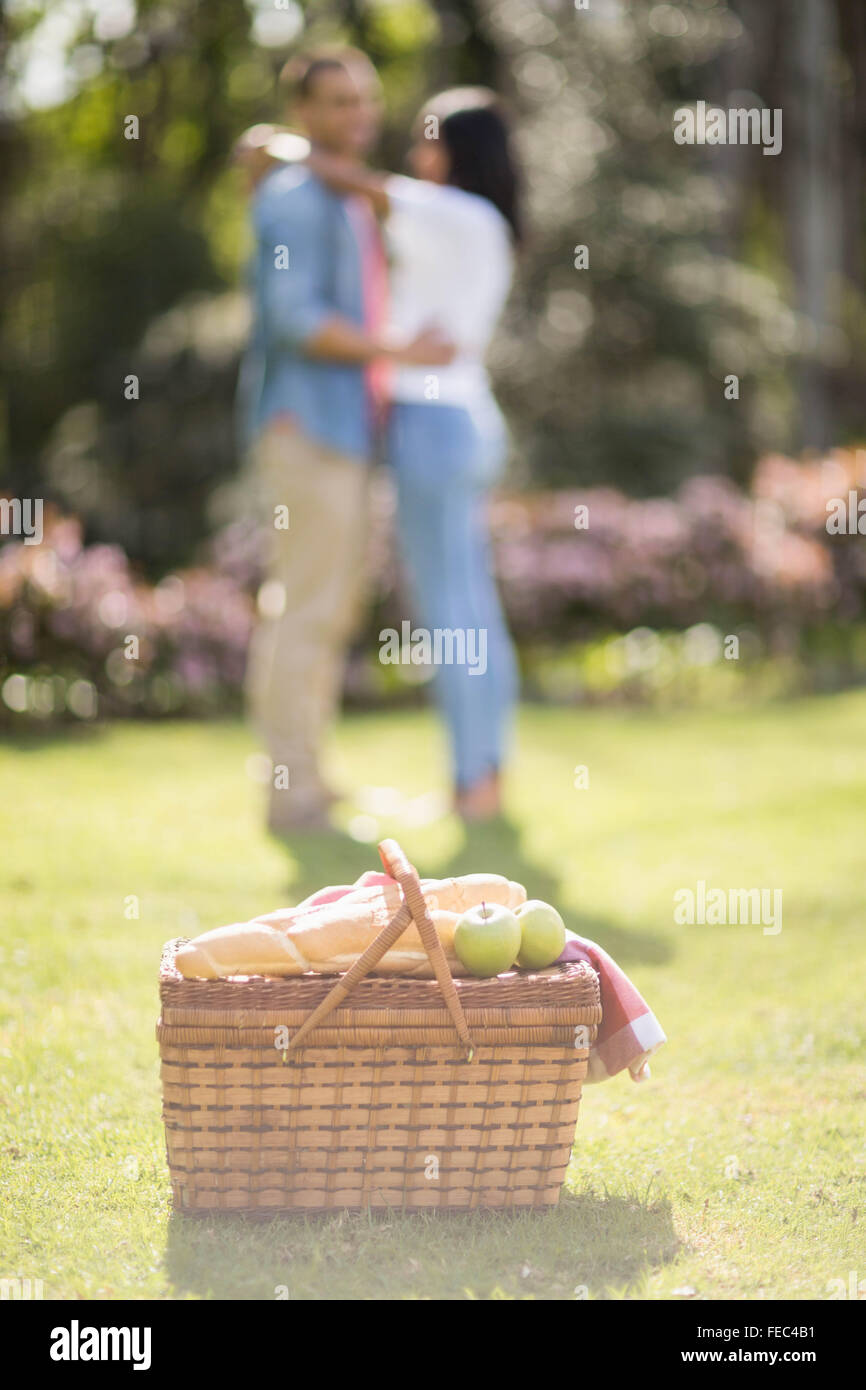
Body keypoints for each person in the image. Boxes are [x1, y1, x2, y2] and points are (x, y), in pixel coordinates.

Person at [236, 49, 453, 835]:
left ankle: (312, 780)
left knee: (328, 609)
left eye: (362, 98)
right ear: (305, 112)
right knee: (306, 606)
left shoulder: (340, 193)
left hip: (346, 431)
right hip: (306, 429)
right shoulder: (294, 200)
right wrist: (400, 351)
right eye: (334, 102)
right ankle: (289, 797)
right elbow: (295, 320)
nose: (354, 114)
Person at [303, 88, 523, 820]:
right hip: (463, 416)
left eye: (430, 138)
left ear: (458, 149)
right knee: (474, 607)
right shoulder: (480, 223)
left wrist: (275, 148)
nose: (416, 151)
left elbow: (353, 182)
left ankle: (472, 785)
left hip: (432, 421)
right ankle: (484, 779)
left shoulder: (457, 212)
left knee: (452, 613)